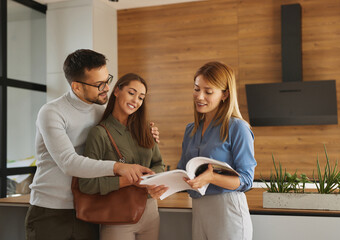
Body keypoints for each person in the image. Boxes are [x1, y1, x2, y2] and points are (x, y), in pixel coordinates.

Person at [25, 49, 159, 240]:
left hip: (89, 207)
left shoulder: (100, 111)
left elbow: (126, 132)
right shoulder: (52, 113)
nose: (106, 88)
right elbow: (68, 163)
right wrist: (119, 168)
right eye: (99, 84)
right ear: (77, 87)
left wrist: (149, 132)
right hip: (50, 211)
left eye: (107, 80)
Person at [148, 61, 257, 240]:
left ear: (225, 94)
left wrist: (212, 177)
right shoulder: (191, 129)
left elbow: (246, 180)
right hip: (199, 209)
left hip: (228, 211)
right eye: (197, 89)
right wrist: (161, 186)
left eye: (208, 91)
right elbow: (183, 173)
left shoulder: (238, 127)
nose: (199, 96)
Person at [78, 73, 164, 240]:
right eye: (131, 93)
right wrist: (129, 180)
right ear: (117, 91)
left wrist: (151, 179)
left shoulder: (146, 129)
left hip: (150, 212)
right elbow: (86, 184)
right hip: (117, 217)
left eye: (141, 97)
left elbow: (158, 163)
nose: (135, 101)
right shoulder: (99, 133)